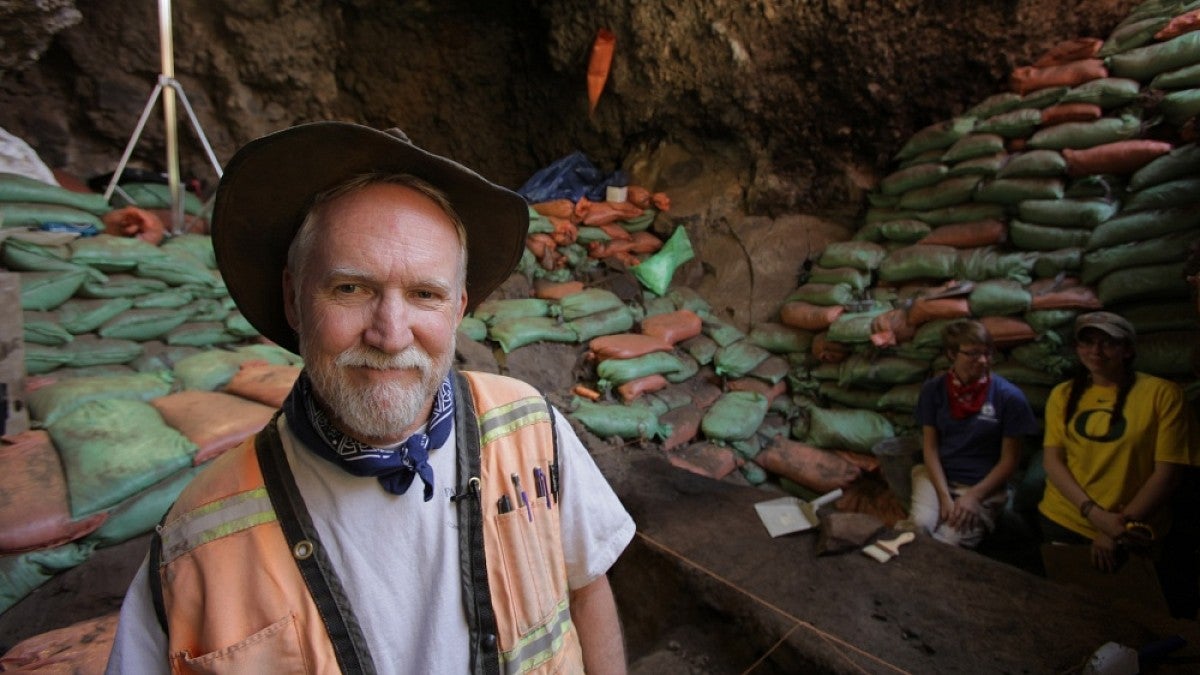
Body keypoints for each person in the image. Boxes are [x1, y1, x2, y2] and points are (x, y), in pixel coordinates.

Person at [106, 122, 636, 674]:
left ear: (457, 309)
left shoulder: (528, 429)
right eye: (350, 289)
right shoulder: (197, 538)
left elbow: (587, 589)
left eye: (424, 294)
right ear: (294, 299)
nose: (390, 334)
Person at [1039, 311, 1193, 593]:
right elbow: (1053, 461)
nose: (1095, 351)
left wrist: (1117, 528)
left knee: (1132, 616)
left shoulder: (1162, 395)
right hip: (1067, 519)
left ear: (1128, 350)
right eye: (1087, 342)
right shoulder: (1063, 394)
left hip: (1132, 528)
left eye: (1108, 342)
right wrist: (1096, 516)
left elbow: (1167, 475)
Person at [909, 319, 1039, 548]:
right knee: (919, 526)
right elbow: (930, 447)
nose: (982, 361)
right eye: (972, 354)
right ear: (951, 354)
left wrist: (974, 497)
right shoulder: (934, 390)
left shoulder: (1008, 397)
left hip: (981, 485)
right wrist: (944, 497)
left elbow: (1010, 460)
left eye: (987, 354)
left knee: (948, 542)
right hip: (938, 477)